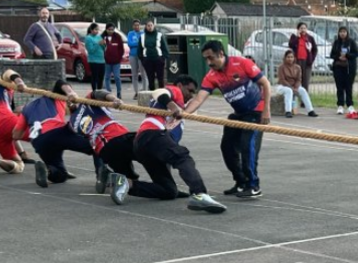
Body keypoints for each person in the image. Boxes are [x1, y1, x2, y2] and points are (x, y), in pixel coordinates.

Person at [183, 40, 272, 199]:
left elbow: (265, 84)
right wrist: (183, 114)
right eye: (206, 59)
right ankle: (241, 182)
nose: (209, 63)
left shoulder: (242, 63)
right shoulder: (212, 76)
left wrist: (266, 111)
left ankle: (253, 185)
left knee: (247, 147)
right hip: (238, 114)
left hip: (255, 112)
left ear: (221, 54)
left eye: (211, 58)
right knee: (227, 147)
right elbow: (198, 99)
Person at [131, 75, 227, 213]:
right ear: (181, 86)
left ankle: (126, 185)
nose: (191, 95)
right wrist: (172, 105)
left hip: (143, 144)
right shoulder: (175, 91)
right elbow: (159, 92)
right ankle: (199, 194)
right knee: (183, 158)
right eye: (190, 90)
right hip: (152, 134)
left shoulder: (180, 111)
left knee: (168, 190)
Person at [16, 81, 100, 188]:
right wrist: (70, 93)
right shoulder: (54, 97)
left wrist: (35, 134)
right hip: (57, 131)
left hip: (39, 140)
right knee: (97, 145)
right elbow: (60, 82)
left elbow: (16, 135)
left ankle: (49, 171)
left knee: (60, 175)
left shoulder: (26, 108)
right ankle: (102, 176)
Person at [277, 50, 317, 118]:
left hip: (294, 86)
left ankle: (310, 110)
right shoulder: (281, 67)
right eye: (288, 57)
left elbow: (299, 79)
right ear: (285, 58)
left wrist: (295, 87)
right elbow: (282, 80)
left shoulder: (297, 67)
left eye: (291, 57)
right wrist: (291, 88)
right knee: (288, 91)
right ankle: (288, 111)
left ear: (294, 58)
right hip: (283, 86)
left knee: (303, 90)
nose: (290, 59)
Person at [331, 26, 358, 115]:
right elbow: (332, 54)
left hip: (349, 68)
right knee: (339, 87)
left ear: (347, 33)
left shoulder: (351, 42)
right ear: (338, 33)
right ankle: (340, 105)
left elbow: (356, 54)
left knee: (348, 87)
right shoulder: (336, 42)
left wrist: (347, 55)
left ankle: (350, 105)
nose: (342, 34)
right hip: (338, 67)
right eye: (341, 32)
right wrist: (338, 57)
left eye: (344, 32)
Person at [139, 21, 169, 91]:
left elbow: (164, 47)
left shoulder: (159, 35)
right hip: (147, 60)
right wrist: (143, 59)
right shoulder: (142, 36)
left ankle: (162, 93)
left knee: (160, 78)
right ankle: (152, 93)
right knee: (150, 78)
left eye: (151, 25)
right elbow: (139, 49)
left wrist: (163, 58)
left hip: (158, 59)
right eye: (148, 26)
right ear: (146, 27)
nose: (150, 27)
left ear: (153, 26)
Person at [288, 23, 318, 91]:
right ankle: (295, 98)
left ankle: (304, 100)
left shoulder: (310, 38)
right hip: (297, 61)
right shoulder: (294, 37)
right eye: (301, 28)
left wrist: (312, 59)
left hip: (307, 62)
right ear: (298, 29)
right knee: (296, 81)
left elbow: (315, 50)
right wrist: (297, 37)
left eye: (304, 28)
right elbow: (291, 45)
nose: (303, 30)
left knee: (305, 82)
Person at [102, 24, 125, 98]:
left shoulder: (118, 37)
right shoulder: (102, 37)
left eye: (112, 29)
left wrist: (119, 58)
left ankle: (119, 92)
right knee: (107, 77)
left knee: (117, 77)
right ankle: (108, 92)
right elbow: (100, 48)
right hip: (107, 62)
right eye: (109, 29)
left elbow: (121, 49)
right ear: (106, 29)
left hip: (116, 62)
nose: (110, 31)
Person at [84, 23, 106, 92]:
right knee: (95, 77)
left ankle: (100, 91)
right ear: (91, 30)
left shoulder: (99, 37)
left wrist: (104, 44)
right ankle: (94, 91)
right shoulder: (88, 38)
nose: (97, 31)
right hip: (93, 61)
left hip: (101, 60)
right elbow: (91, 50)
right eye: (95, 29)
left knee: (101, 77)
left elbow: (103, 48)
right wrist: (98, 44)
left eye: (97, 30)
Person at [127, 20, 144, 95]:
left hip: (142, 55)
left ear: (140, 25)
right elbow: (130, 44)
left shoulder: (143, 33)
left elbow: (143, 44)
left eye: (138, 25)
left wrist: (137, 44)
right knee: (134, 74)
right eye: (135, 25)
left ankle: (145, 90)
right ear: (133, 26)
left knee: (143, 74)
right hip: (132, 55)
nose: (136, 26)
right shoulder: (130, 33)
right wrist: (138, 43)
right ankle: (136, 92)